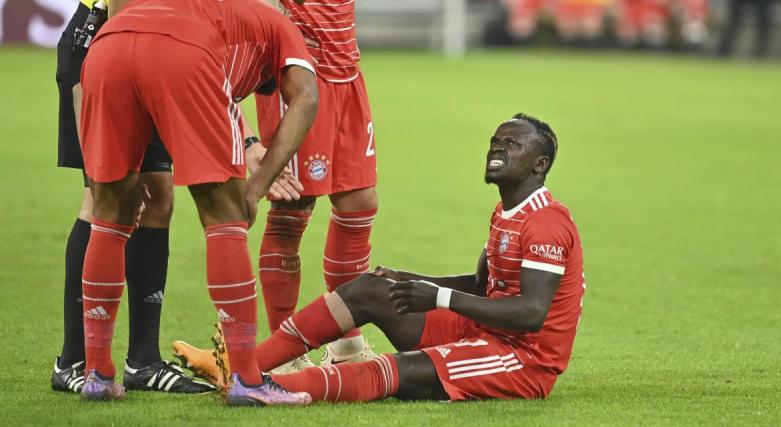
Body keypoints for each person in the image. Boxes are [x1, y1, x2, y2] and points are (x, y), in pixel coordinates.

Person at [177, 114, 587, 403]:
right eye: (495, 142)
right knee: (371, 289)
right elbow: (482, 287)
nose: (497, 149)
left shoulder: (546, 223)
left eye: (511, 145)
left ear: (540, 164)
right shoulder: (507, 212)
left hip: (520, 359)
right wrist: (411, 279)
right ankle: (239, 368)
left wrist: (437, 299)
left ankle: (268, 390)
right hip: (486, 327)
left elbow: (532, 313)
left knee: (396, 370)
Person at [77, 0, 318, 405]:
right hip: (182, 50)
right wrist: (255, 189)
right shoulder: (282, 25)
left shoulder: (221, 15)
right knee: (226, 217)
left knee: (109, 215)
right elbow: (307, 98)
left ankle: (96, 374)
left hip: (108, 44)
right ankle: (246, 379)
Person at [52, 0, 213, 394]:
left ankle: (143, 361)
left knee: (160, 198)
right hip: (102, 47)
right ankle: (73, 361)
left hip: (152, 50)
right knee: (103, 201)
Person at [252, 0, 380, 372]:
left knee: (359, 202)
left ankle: (347, 341)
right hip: (300, 73)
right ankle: (283, 352)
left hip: (347, 72)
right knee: (293, 205)